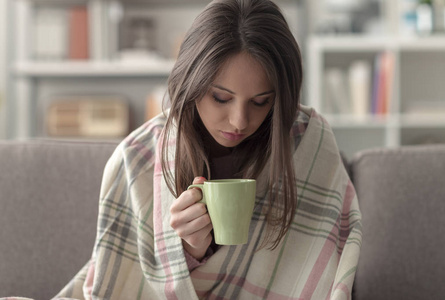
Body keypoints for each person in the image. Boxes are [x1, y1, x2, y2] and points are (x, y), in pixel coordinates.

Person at [51, 0, 362, 299]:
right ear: (191, 82)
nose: (240, 121)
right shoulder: (137, 160)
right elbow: (119, 285)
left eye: (260, 101)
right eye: (221, 98)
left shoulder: (308, 141)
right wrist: (187, 253)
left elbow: (327, 270)